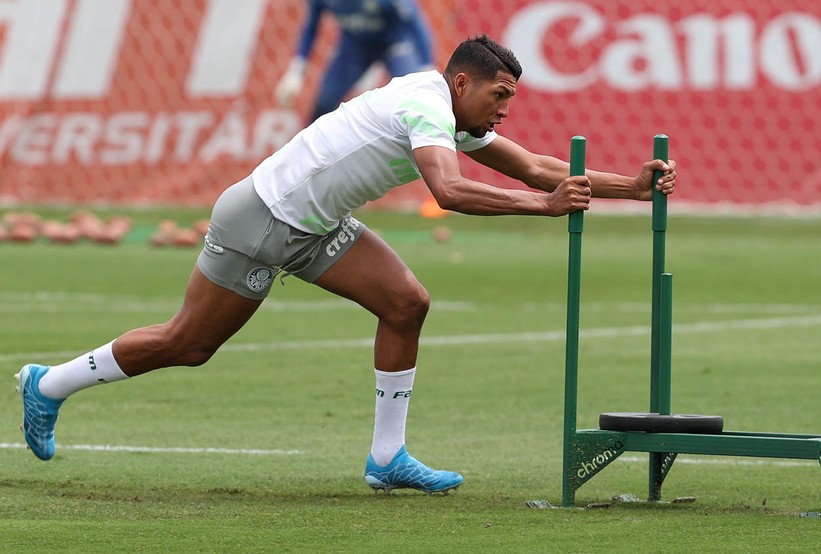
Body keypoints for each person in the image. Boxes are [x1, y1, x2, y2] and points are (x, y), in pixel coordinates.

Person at [17, 35, 677, 494]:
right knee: (188, 344)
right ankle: (48, 386)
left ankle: (387, 458)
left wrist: (630, 185)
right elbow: (447, 193)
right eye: (499, 95)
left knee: (406, 303)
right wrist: (545, 209)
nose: (504, 111)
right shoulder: (424, 103)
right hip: (259, 219)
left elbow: (536, 167)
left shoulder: (453, 111)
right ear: (461, 82)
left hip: (316, 228)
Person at [275, 0, 434, 122]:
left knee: (413, 97)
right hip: (355, 46)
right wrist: (296, 70)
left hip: (395, 41)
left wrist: (426, 67)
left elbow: (414, 23)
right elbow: (312, 24)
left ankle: (416, 154)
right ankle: (309, 159)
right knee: (324, 104)